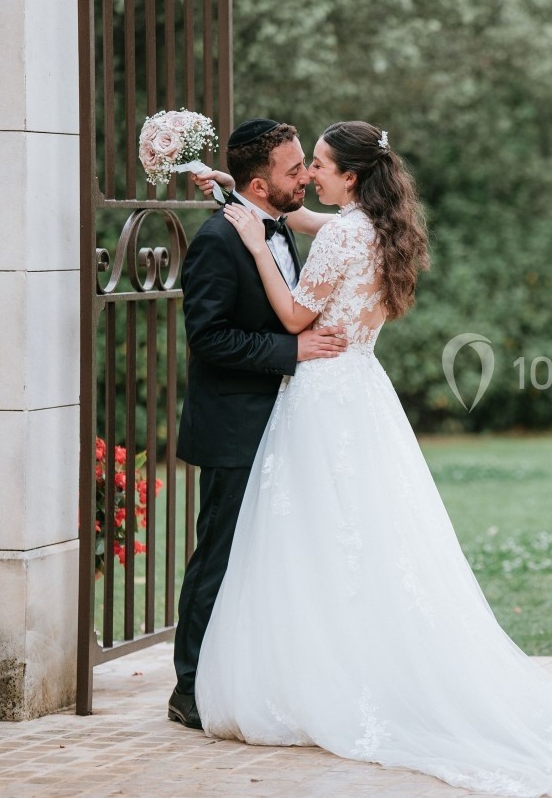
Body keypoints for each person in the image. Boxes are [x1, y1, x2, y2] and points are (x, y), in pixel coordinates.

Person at [191, 120, 552, 796]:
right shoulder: (376, 229)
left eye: (322, 165)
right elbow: (309, 221)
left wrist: (253, 241)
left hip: (322, 395)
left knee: (317, 538)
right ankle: (352, 667)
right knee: (358, 539)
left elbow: (296, 319)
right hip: (362, 392)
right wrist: (241, 203)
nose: (312, 176)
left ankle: (319, 675)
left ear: (351, 177)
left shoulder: (338, 235)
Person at [169, 119, 349, 730]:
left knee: (266, 560)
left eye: (307, 164)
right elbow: (209, 337)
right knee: (218, 557)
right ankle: (189, 689)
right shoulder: (220, 240)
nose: (304, 175)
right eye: (294, 168)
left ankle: (246, 675)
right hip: (233, 428)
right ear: (260, 183)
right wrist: (291, 353)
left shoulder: (270, 219)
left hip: (284, 424)